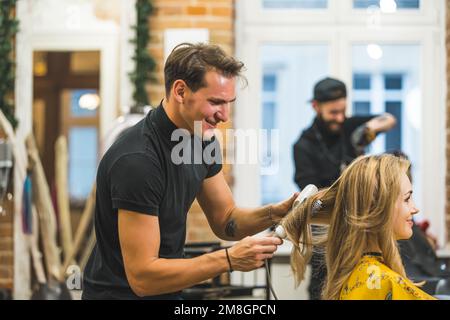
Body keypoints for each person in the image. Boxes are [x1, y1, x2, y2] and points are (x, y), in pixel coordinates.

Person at [82, 43, 298, 300]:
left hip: (167, 293)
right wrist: (229, 259)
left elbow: (226, 220)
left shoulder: (202, 141)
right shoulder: (138, 160)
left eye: (229, 103)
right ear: (181, 91)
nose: (225, 116)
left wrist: (275, 213)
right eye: (216, 102)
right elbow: (143, 277)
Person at [293, 77, 397, 299]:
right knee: (323, 286)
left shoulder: (349, 126)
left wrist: (369, 129)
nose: (340, 118)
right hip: (326, 227)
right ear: (315, 106)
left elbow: (389, 119)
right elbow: (312, 195)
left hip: (359, 223)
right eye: (333, 112)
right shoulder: (303, 145)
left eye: (343, 110)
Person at [281, 154, 436, 300]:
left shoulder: (369, 276)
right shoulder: (376, 283)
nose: (415, 209)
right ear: (377, 208)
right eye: (407, 199)